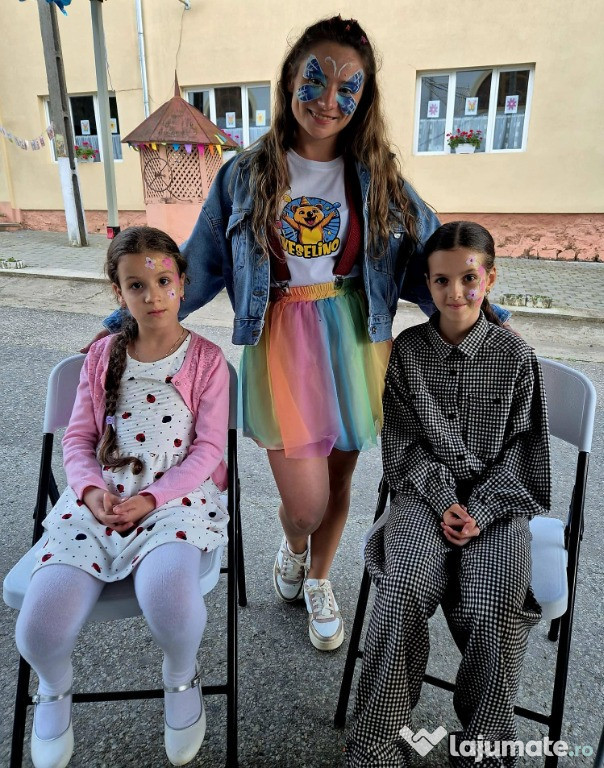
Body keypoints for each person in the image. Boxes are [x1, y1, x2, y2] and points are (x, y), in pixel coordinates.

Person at [97, 17, 508, 652]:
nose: (329, 99)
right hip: (282, 344)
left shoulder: (377, 174)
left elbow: (436, 248)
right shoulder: (245, 174)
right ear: (291, 78)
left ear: (364, 98)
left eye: (349, 87)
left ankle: (318, 577)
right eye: (316, 79)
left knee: (340, 481)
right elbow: (200, 264)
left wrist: (486, 312)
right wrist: (122, 324)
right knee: (307, 503)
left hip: (355, 340)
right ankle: (295, 545)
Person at [16, 226, 230, 768]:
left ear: (182, 283)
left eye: (163, 281)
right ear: (119, 292)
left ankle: (180, 675)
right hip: (96, 505)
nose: (153, 296)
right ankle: (53, 687)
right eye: (137, 285)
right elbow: (77, 439)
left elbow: (209, 450)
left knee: (171, 602)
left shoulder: (206, 361)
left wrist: (153, 499)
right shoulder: (101, 356)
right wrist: (90, 492)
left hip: (175, 502)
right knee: (38, 627)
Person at [346, 221, 551, 767]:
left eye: (468, 278)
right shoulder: (408, 352)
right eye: (441, 280)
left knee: (496, 603)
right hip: (422, 496)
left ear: (490, 278)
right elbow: (402, 444)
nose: (455, 292)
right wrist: (443, 500)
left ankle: (485, 746)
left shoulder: (517, 356)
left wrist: (479, 509)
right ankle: (375, 743)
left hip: (497, 505)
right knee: (402, 590)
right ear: (428, 283)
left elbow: (525, 453)